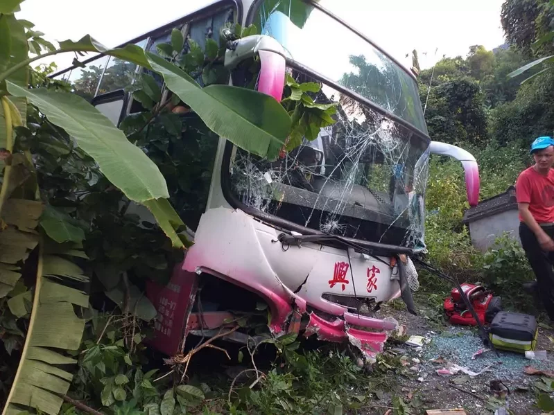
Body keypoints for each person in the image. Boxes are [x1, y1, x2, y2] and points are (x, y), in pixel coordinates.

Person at [517, 136, 554, 320]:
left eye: (547, 155)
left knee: (547, 274)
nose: (543, 159)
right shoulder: (526, 177)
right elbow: (523, 210)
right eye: (539, 155)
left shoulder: (553, 175)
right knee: (545, 274)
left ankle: (535, 290)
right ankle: (551, 316)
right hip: (531, 230)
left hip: (551, 227)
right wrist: (541, 235)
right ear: (534, 157)